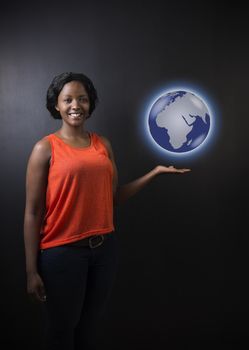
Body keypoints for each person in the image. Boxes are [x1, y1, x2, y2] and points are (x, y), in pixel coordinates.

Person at [23, 72, 190, 350]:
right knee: (61, 332)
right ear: (57, 105)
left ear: (90, 104)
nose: (76, 105)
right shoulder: (45, 149)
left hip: (104, 251)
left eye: (82, 99)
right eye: (68, 100)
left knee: (88, 330)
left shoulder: (103, 145)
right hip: (62, 253)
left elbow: (112, 199)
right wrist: (31, 270)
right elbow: (32, 212)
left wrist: (154, 173)